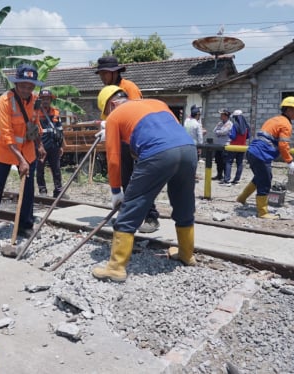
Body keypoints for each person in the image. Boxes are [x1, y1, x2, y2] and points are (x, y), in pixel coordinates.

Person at [91, 85, 198, 282]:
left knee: (132, 205)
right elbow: (163, 132)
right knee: (183, 202)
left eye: (106, 112)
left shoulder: (115, 116)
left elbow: (114, 159)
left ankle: (115, 267)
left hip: (158, 154)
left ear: (112, 105)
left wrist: (116, 192)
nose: (108, 116)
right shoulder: (157, 103)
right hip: (188, 149)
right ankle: (186, 254)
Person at [0, 64, 47, 244]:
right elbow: (6, 134)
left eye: (30, 86)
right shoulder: (5, 101)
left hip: (27, 150)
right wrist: (20, 160)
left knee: (28, 190)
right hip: (4, 151)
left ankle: (25, 225)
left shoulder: (35, 101)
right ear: (16, 83)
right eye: (23, 85)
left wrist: (40, 145)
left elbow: (35, 125)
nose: (26, 89)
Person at [95, 56, 160, 233]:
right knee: (125, 178)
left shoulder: (129, 88)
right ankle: (130, 212)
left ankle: (151, 216)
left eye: (104, 74)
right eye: (100, 74)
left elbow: (137, 112)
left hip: (136, 140)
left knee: (141, 179)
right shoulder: (108, 90)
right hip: (121, 140)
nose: (102, 77)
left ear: (114, 72)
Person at [236, 96, 294, 219]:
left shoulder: (274, 119)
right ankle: (263, 212)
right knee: (265, 181)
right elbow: (283, 145)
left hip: (253, 151)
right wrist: (290, 162)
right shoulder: (286, 124)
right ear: (288, 110)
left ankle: (242, 198)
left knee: (260, 177)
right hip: (261, 154)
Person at [36, 89, 66, 198]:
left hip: (54, 145)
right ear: (40, 99)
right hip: (41, 145)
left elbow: (60, 130)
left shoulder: (55, 112)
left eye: (47, 99)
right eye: (43, 99)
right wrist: (38, 146)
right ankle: (42, 190)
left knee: (56, 169)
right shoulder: (35, 112)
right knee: (40, 169)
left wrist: (61, 145)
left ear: (50, 100)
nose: (45, 101)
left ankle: (58, 191)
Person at [223, 109, 250, 186]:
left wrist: (229, 133)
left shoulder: (235, 125)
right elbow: (247, 136)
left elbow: (233, 136)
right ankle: (236, 180)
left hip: (233, 146)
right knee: (239, 163)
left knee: (229, 162)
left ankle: (227, 180)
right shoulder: (246, 126)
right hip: (242, 147)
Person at [213, 108, 233, 181]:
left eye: (222, 114)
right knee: (218, 161)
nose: (220, 116)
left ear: (226, 116)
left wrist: (219, 132)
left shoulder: (229, 124)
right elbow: (214, 131)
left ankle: (225, 177)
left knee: (224, 161)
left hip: (225, 145)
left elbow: (224, 132)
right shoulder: (220, 123)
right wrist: (219, 132)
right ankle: (219, 175)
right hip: (218, 145)